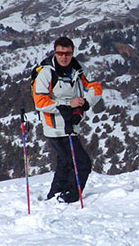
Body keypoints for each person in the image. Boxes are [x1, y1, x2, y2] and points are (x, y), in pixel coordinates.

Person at [33, 37, 102, 203]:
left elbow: (96, 88)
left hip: (72, 124)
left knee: (65, 161)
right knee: (82, 163)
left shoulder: (78, 69)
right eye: (60, 53)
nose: (64, 57)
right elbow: (40, 101)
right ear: (55, 52)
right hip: (54, 127)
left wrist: (86, 102)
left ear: (72, 53)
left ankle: (55, 195)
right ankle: (70, 197)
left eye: (68, 53)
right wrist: (67, 103)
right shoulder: (47, 73)